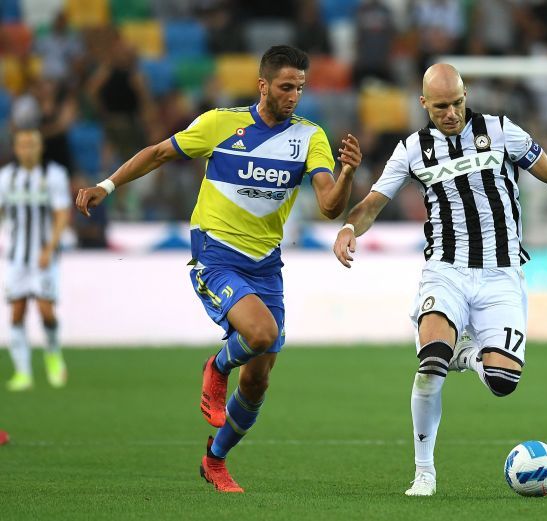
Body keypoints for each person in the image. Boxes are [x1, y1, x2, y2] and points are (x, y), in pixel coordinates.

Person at [333, 63, 547, 496]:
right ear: (424, 105)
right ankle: (424, 473)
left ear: (465, 95)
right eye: (441, 107)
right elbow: (372, 205)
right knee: (430, 365)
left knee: (503, 382)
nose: (452, 113)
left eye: (457, 102)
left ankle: (465, 355)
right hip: (447, 271)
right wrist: (347, 229)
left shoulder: (501, 131)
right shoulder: (412, 150)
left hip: (502, 275)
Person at [76, 45, 362, 493]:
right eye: (286, 87)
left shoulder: (310, 137)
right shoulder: (220, 123)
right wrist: (107, 184)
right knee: (262, 335)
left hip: (266, 265)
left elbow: (329, 206)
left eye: (300, 88)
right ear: (263, 85)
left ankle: (215, 460)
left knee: (260, 376)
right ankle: (216, 366)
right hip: (216, 253)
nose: (293, 96)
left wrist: (346, 175)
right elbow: (157, 154)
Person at [1, 129, 71, 392]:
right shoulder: (7, 178)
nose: (27, 149)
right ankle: (23, 372)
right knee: (17, 311)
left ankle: (53, 355)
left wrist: (49, 247)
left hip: (44, 255)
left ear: (40, 147)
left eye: (32, 144)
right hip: (17, 257)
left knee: (45, 310)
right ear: (16, 148)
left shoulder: (53, 175)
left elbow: (62, 214)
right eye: (22, 145)